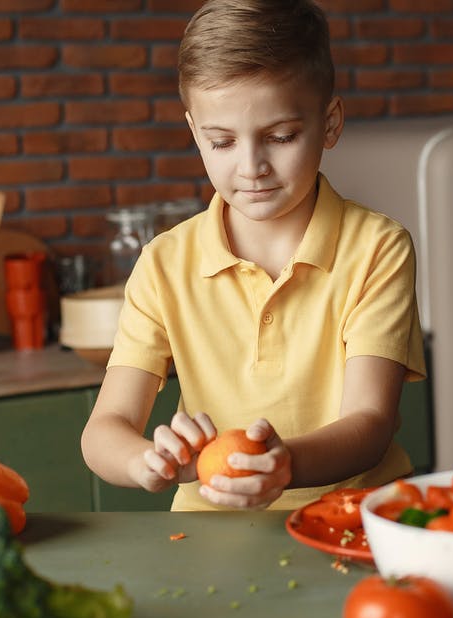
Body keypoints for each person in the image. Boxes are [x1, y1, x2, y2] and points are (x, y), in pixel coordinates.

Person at [80, 0, 426, 512]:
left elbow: (370, 424)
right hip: (207, 536)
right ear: (195, 133)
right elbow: (104, 431)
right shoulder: (162, 265)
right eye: (221, 142)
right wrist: (145, 460)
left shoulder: (377, 248)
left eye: (280, 136)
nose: (251, 167)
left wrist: (284, 465)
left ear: (329, 123)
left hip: (352, 522)